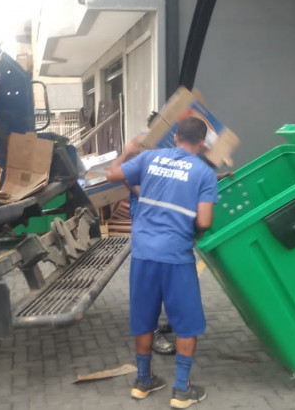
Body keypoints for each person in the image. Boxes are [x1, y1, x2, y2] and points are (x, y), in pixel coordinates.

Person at [107, 117, 218, 409]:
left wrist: (128, 149)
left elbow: (112, 175)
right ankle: (181, 390)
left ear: (176, 137)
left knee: (144, 317)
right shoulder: (203, 173)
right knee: (186, 322)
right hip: (176, 256)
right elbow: (205, 221)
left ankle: (143, 381)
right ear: (203, 143)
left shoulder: (150, 158)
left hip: (143, 253)